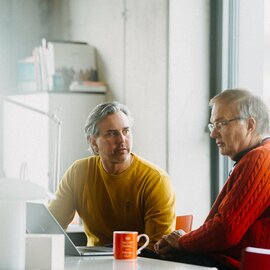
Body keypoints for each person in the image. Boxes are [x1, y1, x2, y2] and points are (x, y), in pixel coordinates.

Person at [154, 89, 270, 270]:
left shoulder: (260, 158)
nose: (213, 134)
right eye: (212, 125)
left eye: (221, 124)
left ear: (250, 125)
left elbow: (226, 232)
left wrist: (182, 241)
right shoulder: (255, 157)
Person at [48, 101, 175, 250]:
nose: (122, 140)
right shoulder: (78, 172)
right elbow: (50, 227)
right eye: (112, 133)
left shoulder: (155, 180)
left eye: (126, 131)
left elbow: (157, 250)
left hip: (139, 263)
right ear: (93, 142)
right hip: (92, 264)